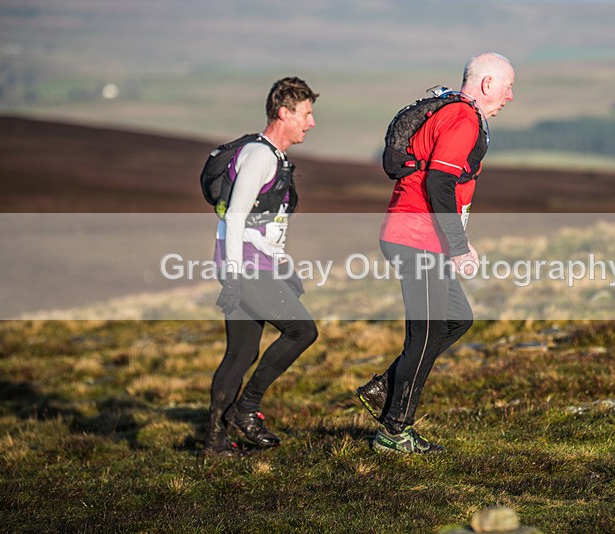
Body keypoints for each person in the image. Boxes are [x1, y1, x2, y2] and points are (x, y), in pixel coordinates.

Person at [356, 52, 515, 454]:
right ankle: (394, 431)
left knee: (457, 319)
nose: (510, 96)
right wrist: (457, 246)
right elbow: (440, 184)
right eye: (508, 86)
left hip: (420, 235)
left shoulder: (452, 114)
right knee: (426, 332)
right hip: (416, 236)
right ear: (487, 84)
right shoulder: (462, 118)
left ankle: (384, 388)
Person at [204, 77, 319, 457]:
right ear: (284, 113)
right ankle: (246, 409)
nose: (311, 122)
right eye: (306, 114)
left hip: (256, 262)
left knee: (241, 353)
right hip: (247, 267)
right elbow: (236, 217)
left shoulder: (274, 157)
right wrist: (234, 276)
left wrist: (284, 265)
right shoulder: (260, 155)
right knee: (302, 331)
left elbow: (265, 224)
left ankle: (215, 444)